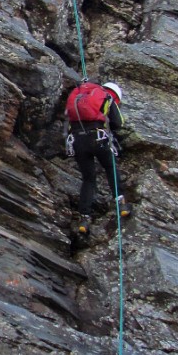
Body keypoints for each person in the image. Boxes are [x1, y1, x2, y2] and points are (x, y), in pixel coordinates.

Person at [64, 80, 136, 241]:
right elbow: (118, 123)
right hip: (97, 138)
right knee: (110, 167)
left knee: (88, 179)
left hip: (77, 141)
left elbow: (69, 122)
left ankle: (84, 219)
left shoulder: (80, 96)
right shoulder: (107, 97)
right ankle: (122, 204)